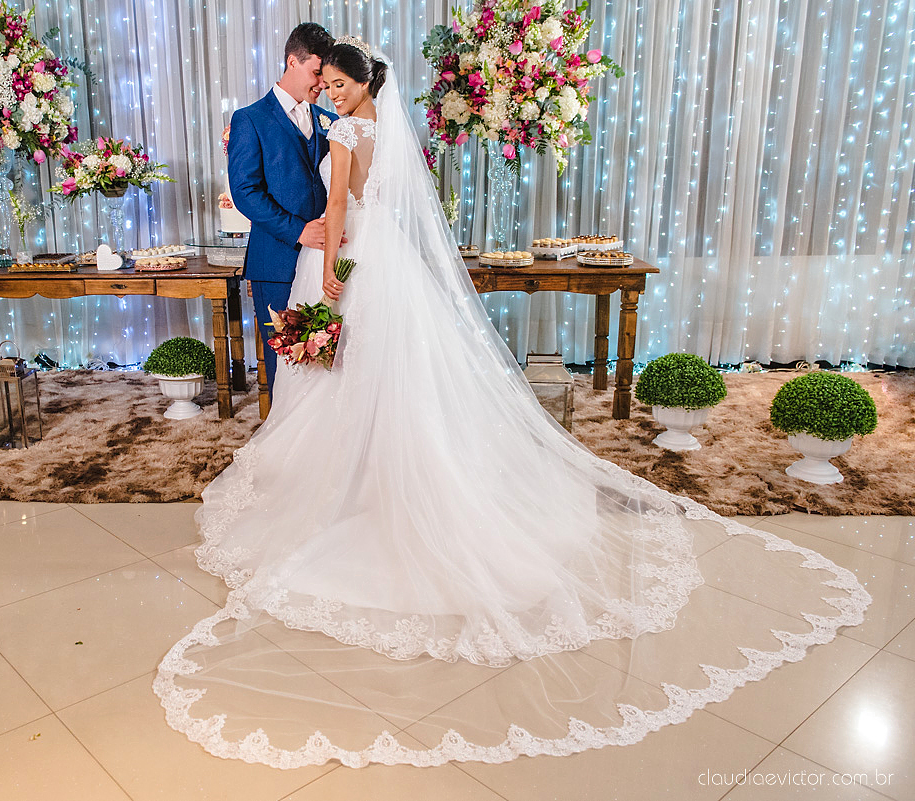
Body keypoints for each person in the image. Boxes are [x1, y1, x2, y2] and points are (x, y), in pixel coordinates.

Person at [156, 38, 870, 769]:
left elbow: (337, 205)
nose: (328, 92)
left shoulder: (342, 129)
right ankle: (367, 479)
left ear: (359, 81)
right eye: (324, 81)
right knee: (372, 382)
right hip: (383, 263)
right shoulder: (375, 128)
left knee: (337, 382)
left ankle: (350, 490)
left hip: (343, 262)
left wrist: (334, 275)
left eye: (337, 82)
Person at [227, 22, 340, 394]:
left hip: (326, 262)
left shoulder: (331, 122)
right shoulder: (250, 119)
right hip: (275, 262)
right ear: (293, 61)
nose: (322, 85)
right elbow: (245, 192)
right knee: (285, 363)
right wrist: (299, 230)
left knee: (328, 361)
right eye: (316, 73)